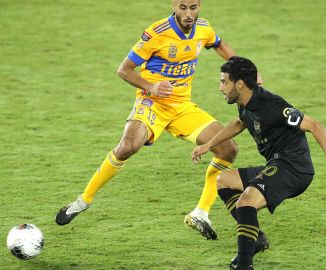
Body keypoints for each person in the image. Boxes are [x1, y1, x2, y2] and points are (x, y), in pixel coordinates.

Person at [55, 0, 255, 241]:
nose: (189, 13)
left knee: (227, 148)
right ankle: (83, 200)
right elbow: (124, 69)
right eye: (183, 7)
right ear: (174, 5)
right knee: (128, 146)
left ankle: (200, 213)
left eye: (193, 7)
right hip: (152, 103)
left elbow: (219, 44)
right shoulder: (157, 33)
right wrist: (151, 87)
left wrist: (247, 73)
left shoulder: (203, 28)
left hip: (181, 107)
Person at [191, 56, 326, 270]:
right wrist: (208, 145)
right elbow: (240, 123)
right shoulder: (243, 101)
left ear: (239, 84)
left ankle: (244, 264)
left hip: (294, 169)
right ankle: (256, 237)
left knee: (245, 201)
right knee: (223, 180)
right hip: (277, 165)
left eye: (224, 82)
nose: (220, 87)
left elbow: (314, 125)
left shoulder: (273, 106)